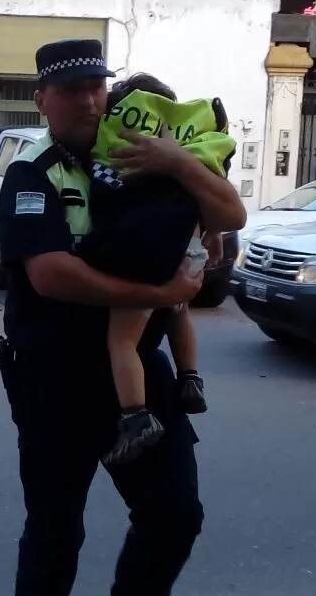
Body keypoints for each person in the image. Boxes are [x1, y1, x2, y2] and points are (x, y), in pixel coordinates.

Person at [0, 39, 246, 596]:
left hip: (135, 371)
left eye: (95, 88)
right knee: (55, 528)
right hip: (55, 378)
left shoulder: (141, 154)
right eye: (70, 91)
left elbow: (230, 215)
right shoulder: (32, 174)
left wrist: (179, 165)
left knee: (176, 516)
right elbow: (50, 275)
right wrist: (159, 296)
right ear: (42, 101)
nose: (86, 101)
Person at [79, 73, 237, 465]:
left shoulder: (126, 145)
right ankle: (190, 378)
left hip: (148, 253)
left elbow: (121, 198)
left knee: (122, 340)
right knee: (178, 311)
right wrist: (211, 231)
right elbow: (211, 198)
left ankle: (136, 416)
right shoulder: (187, 144)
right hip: (187, 247)